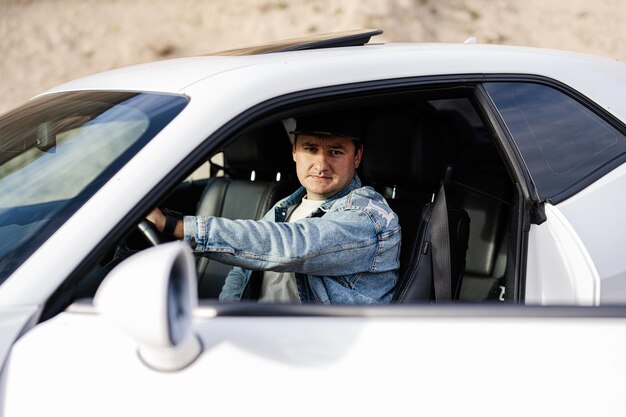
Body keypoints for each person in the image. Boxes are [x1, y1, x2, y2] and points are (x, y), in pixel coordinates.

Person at [147, 111, 401, 304]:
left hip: (321, 350)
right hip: (267, 334)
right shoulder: (287, 206)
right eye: (310, 149)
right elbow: (243, 270)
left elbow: (294, 247)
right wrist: (226, 316)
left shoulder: (369, 217)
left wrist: (176, 226)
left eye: (335, 152)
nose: (321, 164)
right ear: (294, 152)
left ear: (356, 156)